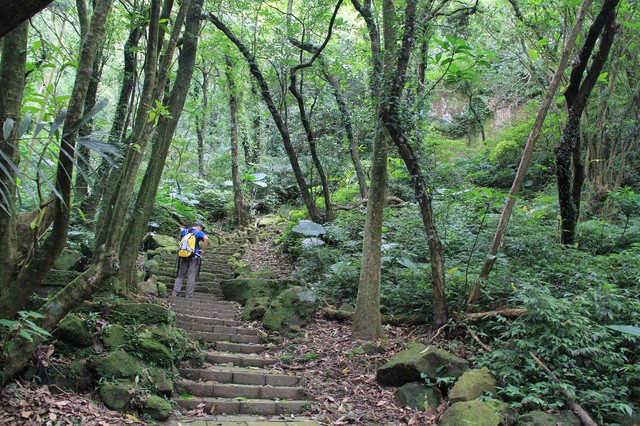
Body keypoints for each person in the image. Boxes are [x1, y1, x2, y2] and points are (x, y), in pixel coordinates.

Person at [172, 221, 209, 298]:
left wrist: (181, 228)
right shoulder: (198, 232)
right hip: (194, 255)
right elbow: (206, 239)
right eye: (201, 228)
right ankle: (188, 295)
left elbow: (181, 228)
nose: (201, 229)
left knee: (181, 275)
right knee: (191, 275)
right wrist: (203, 250)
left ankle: (175, 293)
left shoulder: (185, 231)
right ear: (198, 226)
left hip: (183, 254)